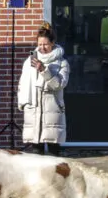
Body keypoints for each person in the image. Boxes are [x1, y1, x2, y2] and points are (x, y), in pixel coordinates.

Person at [17, 22, 70, 155]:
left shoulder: (61, 63)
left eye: (45, 44)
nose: (42, 48)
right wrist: (23, 104)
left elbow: (59, 85)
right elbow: (22, 84)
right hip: (33, 110)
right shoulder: (29, 61)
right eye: (40, 44)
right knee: (36, 152)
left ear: (52, 43)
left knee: (53, 153)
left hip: (52, 110)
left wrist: (44, 70)